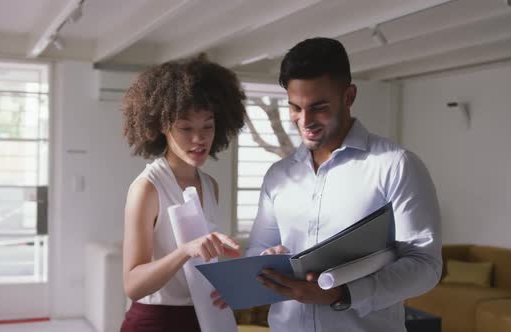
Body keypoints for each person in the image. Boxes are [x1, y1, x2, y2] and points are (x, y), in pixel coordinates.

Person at [246, 37, 442, 332]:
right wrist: (266, 260)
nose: (305, 121)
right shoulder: (278, 175)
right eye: (295, 108)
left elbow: (425, 266)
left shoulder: (395, 165)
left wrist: (342, 294)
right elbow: (256, 252)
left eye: (319, 107)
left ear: (348, 96)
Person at [120, 55, 247, 332]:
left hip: (205, 318)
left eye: (207, 126)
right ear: (162, 127)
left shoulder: (211, 185)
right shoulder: (147, 188)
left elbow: (200, 272)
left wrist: (230, 284)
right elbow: (133, 286)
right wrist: (185, 251)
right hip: (155, 322)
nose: (199, 138)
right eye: (186, 128)